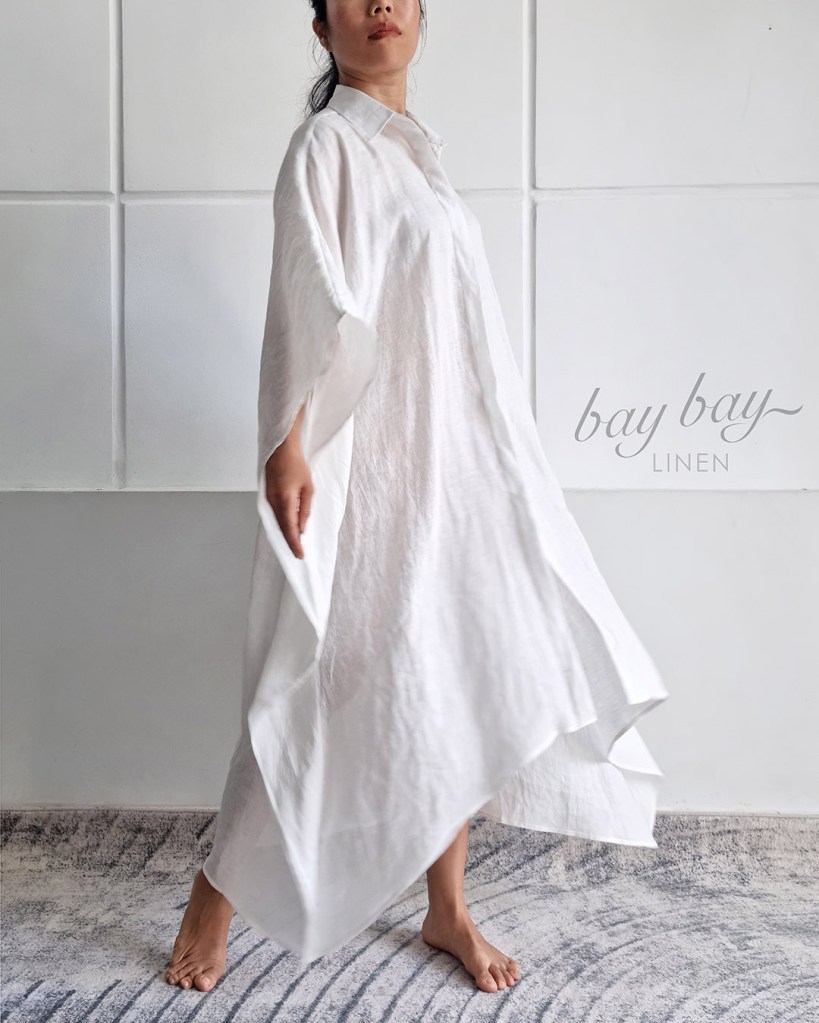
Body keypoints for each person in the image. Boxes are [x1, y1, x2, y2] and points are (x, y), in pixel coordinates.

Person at [165, 0, 668, 997]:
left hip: (456, 471)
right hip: (370, 470)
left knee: (458, 672)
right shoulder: (328, 147)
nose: (380, 5)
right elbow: (302, 301)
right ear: (323, 30)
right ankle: (213, 892)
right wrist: (287, 444)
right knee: (314, 674)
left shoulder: (421, 159)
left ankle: (447, 907)